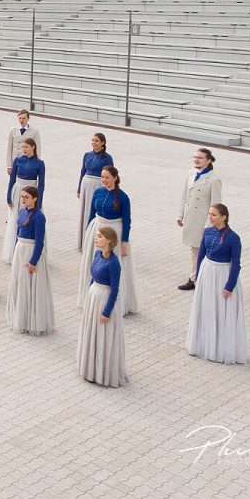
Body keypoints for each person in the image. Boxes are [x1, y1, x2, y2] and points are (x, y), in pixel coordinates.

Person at [186, 204, 248, 364]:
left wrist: (229, 286)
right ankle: (204, 343)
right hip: (207, 273)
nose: (210, 217)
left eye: (213, 215)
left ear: (223, 217)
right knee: (207, 308)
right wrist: (198, 276)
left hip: (222, 275)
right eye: (210, 214)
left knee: (220, 311)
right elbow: (201, 254)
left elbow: (236, 264)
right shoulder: (207, 231)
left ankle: (220, 348)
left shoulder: (233, 238)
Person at [76, 166, 139, 316]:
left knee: (113, 263)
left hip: (114, 231)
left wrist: (124, 242)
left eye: (107, 177)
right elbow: (91, 214)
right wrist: (87, 233)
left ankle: (117, 302)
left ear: (115, 178)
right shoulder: (97, 192)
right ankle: (90, 296)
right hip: (97, 228)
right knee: (94, 261)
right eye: (102, 177)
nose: (104, 180)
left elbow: (127, 220)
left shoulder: (123, 197)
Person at [78, 226, 129, 387]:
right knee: (91, 332)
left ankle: (102, 372)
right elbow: (92, 278)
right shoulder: (97, 254)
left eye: (100, 236)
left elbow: (115, 290)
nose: (96, 238)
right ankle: (89, 368)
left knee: (102, 335)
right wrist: (88, 297)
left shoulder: (114, 263)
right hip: (94, 297)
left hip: (104, 299)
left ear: (108, 240)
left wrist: (106, 312)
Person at [7, 186, 53, 335]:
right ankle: (20, 316)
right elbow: (17, 233)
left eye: (26, 197)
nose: (23, 199)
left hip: (30, 250)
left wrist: (33, 261)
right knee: (20, 284)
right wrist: (15, 250)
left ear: (35, 198)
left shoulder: (39, 216)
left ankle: (31, 319)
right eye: (22, 197)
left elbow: (40, 242)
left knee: (30, 286)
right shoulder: (21, 212)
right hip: (20, 249)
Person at [178, 148, 222, 290]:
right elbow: (184, 196)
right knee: (194, 249)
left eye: (200, 158)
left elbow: (216, 204)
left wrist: (211, 225)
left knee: (203, 250)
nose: (196, 160)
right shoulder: (190, 174)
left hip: (203, 221)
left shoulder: (214, 179)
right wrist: (180, 214)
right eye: (195, 157)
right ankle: (194, 277)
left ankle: (199, 278)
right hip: (191, 218)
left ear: (208, 160)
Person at [4, 139, 46, 265]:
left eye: (26, 147)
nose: (24, 149)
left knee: (31, 220)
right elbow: (12, 179)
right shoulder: (18, 160)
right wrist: (8, 196)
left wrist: (38, 202)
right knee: (16, 219)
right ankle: (13, 251)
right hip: (18, 191)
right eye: (22, 147)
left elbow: (42, 184)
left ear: (33, 147)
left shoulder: (39, 163)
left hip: (32, 192)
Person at [76, 133, 113, 250]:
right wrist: (78, 188)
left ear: (102, 143)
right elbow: (82, 171)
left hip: (98, 184)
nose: (93, 143)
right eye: (92, 140)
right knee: (84, 210)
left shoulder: (107, 158)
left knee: (93, 210)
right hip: (86, 184)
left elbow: (111, 174)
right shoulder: (87, 155)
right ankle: (83, 240)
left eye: (96, 141)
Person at [4, 109, 42, 177]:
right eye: (20, 118)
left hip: (28, 162)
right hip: (15, 161)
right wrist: (9, 166)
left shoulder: (34, 132)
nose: (21, 120)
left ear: (28, 119)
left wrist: (36, 164)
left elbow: (38, 149)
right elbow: (9, 148)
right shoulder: (13, 130)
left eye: (24, 118)